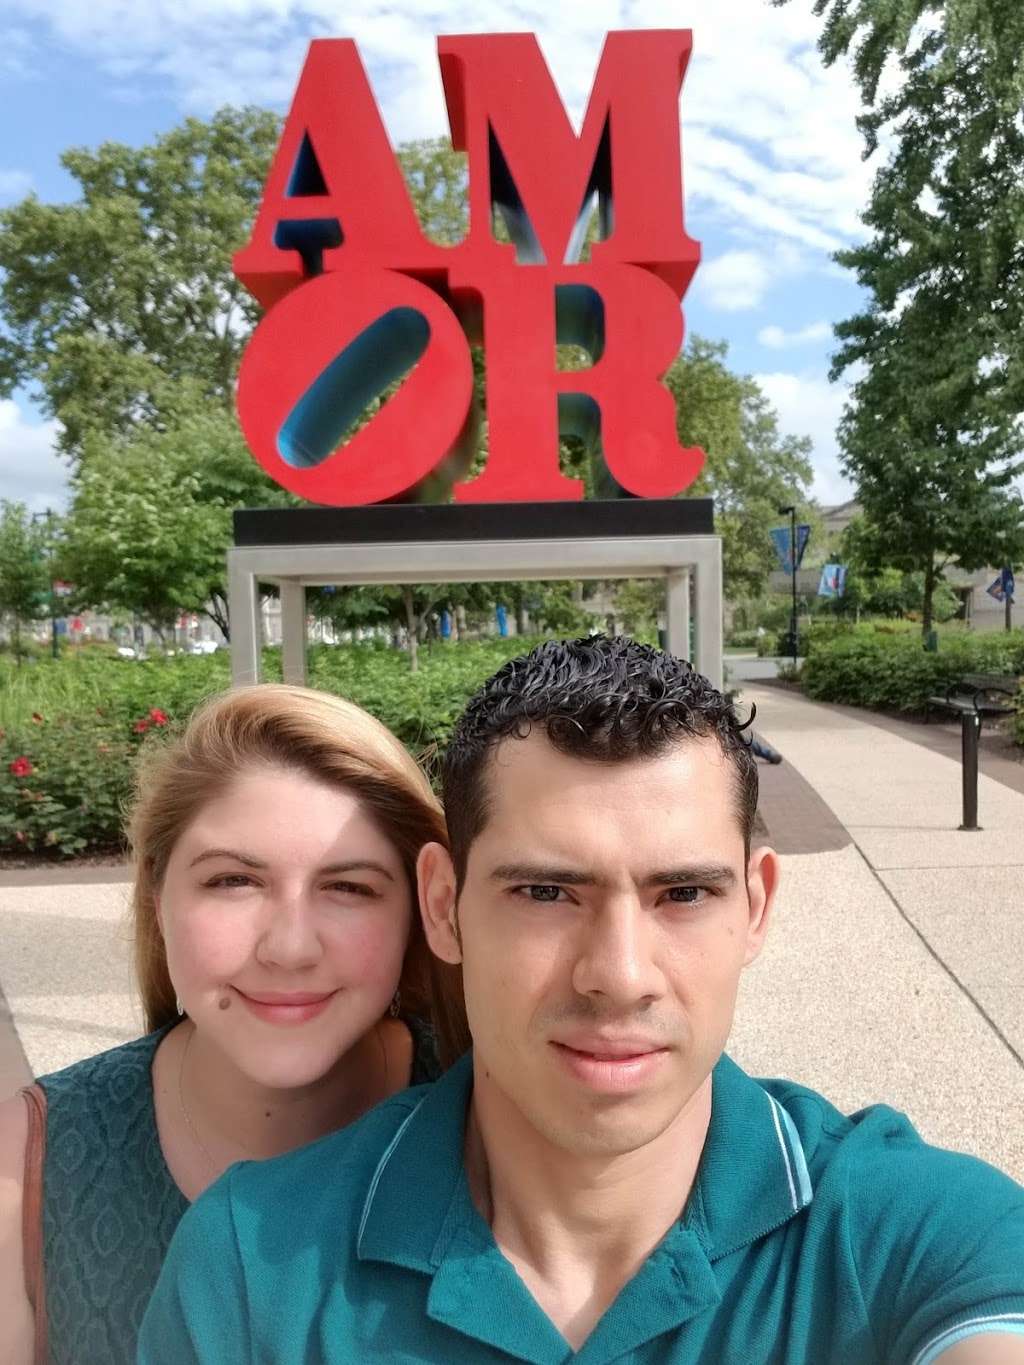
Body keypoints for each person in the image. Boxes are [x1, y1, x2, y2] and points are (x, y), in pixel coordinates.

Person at [139, 638, 1024, 1365]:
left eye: (683, 894)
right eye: (546, 893)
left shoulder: (915, 1231)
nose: (619, 973)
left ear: (756, 906)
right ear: (444, 905)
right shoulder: (253, 1267)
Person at [0, 683, 467, 1365]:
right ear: (158, 895)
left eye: (349, 887)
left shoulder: (491, 1117)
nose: (289, 946)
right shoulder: (30, 1163)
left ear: (421, 913)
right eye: (233, 881)